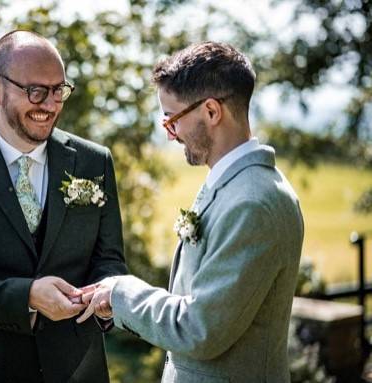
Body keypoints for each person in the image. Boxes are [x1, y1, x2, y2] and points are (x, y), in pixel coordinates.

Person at [77, 41, 304, 382]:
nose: (170, 135)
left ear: (212, 112)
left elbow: (199, 328)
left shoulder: (254, 203)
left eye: (172, 120)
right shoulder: (231, 185)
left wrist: (120, 292)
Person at [0, 30, 127, 382]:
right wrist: (26, 296)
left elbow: (109, 261)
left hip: (79, 369)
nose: (49, 105)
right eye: (35, 91)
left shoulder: (95, 162)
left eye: (58, 90)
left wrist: (106, 298)